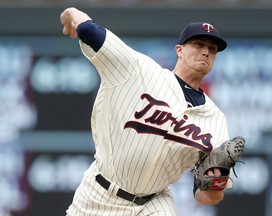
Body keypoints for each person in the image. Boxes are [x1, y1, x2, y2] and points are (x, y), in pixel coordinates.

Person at [60, 7, 231, 216]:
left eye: (212, 49)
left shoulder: (216, 120)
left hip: (153, 203)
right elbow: (88, 29)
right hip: (99, 194)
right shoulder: (138, 70)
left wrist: (215, 185)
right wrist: (70, 13)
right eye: (199, 44)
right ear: (179, 50)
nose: (206, 52)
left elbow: (206, 197)